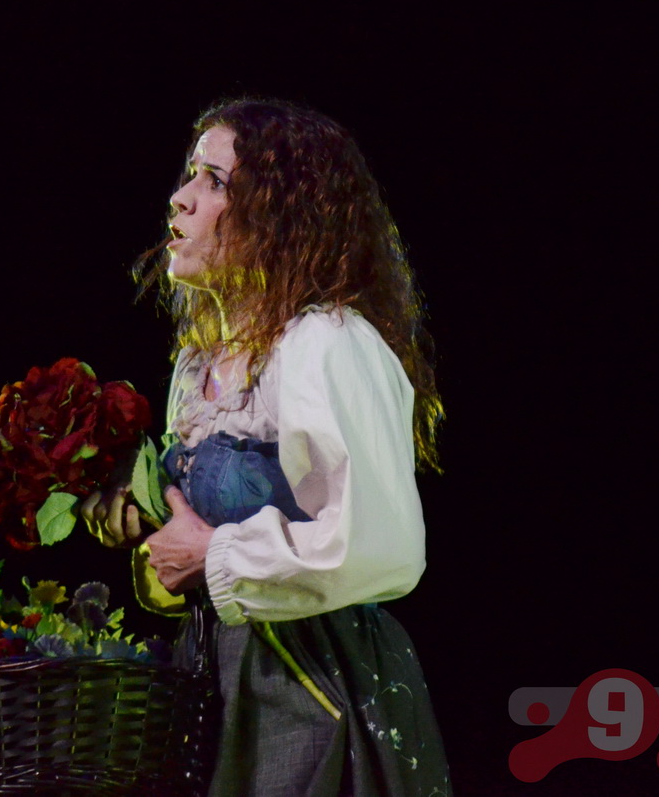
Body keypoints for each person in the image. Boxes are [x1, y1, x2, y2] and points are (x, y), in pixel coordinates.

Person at [84, 99, 453, 796]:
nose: (182, 199)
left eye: (215, 181)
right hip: (221, 688)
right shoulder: (197, 367)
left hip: (315, 689)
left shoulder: (325, 343)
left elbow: (383, 545)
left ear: (282, 215)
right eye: (190, 176)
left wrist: (215, 555)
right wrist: (155, 534)